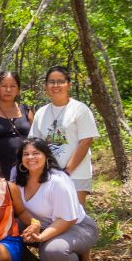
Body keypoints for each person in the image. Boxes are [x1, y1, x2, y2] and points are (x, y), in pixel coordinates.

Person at [14, 138, 99, 261]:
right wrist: (34, 225)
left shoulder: (58, 181)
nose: (30, 157)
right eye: (25, 154)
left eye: (35, 153)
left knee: (53, 252)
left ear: (46, 156)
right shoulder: (19, 178)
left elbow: (68, 219)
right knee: (5, 230)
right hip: (42, 225)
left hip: (77, 227)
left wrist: (41, 237)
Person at [29, 65, 98, 205]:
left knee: (76, 218)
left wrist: (66, 172)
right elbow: (35, 144)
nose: (55, 85)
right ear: (46, 86)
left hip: (76, 173)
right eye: (51, 81)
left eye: (60, 81)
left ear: (69, 85)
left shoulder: (80, 110)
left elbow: (85, 142)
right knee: (53, 216)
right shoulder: (41, 113)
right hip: (48, 175)